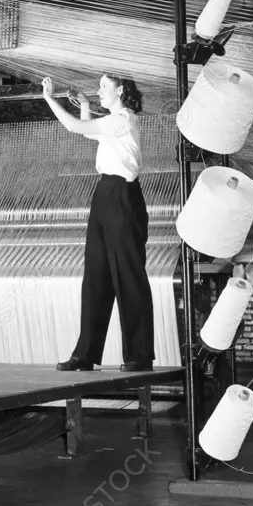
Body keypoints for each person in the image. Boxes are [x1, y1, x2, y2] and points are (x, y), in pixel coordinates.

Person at [41, 74, 153, 373]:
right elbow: (91, 132)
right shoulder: (112, 122)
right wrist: (87, 105)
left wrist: (50, 99)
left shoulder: (123, 119)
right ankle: (86, 353)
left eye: (104, 86)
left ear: (120, 90)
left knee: (128, 276)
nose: (99, 90)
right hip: (105, 194)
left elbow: (76, 127)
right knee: (96, 276)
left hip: (122, 196)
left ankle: (139, 355)